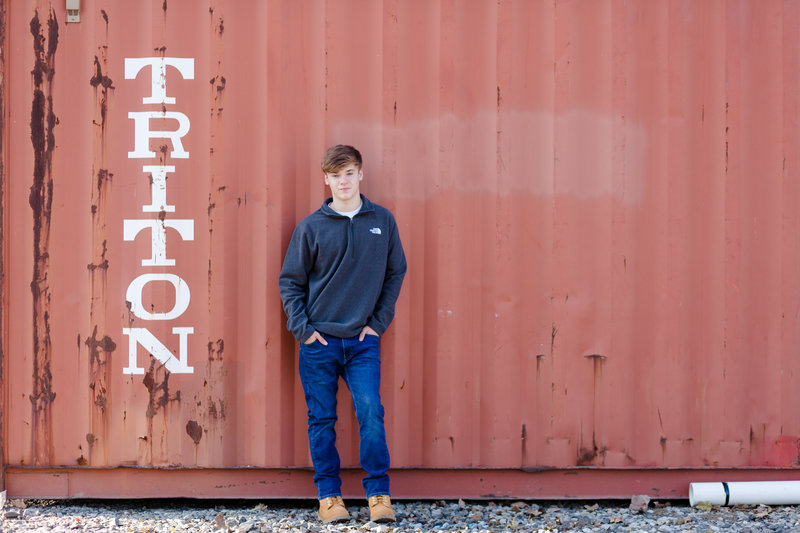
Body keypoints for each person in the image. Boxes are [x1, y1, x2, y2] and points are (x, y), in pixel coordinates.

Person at [279, 145, 407, 524]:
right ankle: (329, 498)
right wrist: (304, 331)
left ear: (360, 174)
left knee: (370, 412)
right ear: (326, 179)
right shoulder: (311, 227)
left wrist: (377, 324)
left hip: (362, 342)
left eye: (349, 173)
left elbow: (395, 273)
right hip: (319, 343)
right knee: (322, 419)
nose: (344, 181)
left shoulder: (382, 221)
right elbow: (290, 283)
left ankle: (379, 494)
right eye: (336, 175)